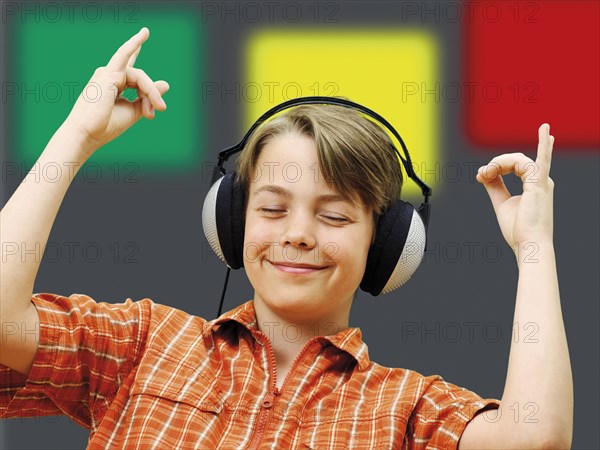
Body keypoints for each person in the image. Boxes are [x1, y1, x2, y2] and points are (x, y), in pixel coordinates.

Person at [0, 27, 573, 449]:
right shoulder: (143, 343)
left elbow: (537, 437)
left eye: (335, 217)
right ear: (232, 220)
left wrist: (534, 246)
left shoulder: (408, 409)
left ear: (386, 243)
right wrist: (74, 139)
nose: (297, 235)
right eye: (272, 208)